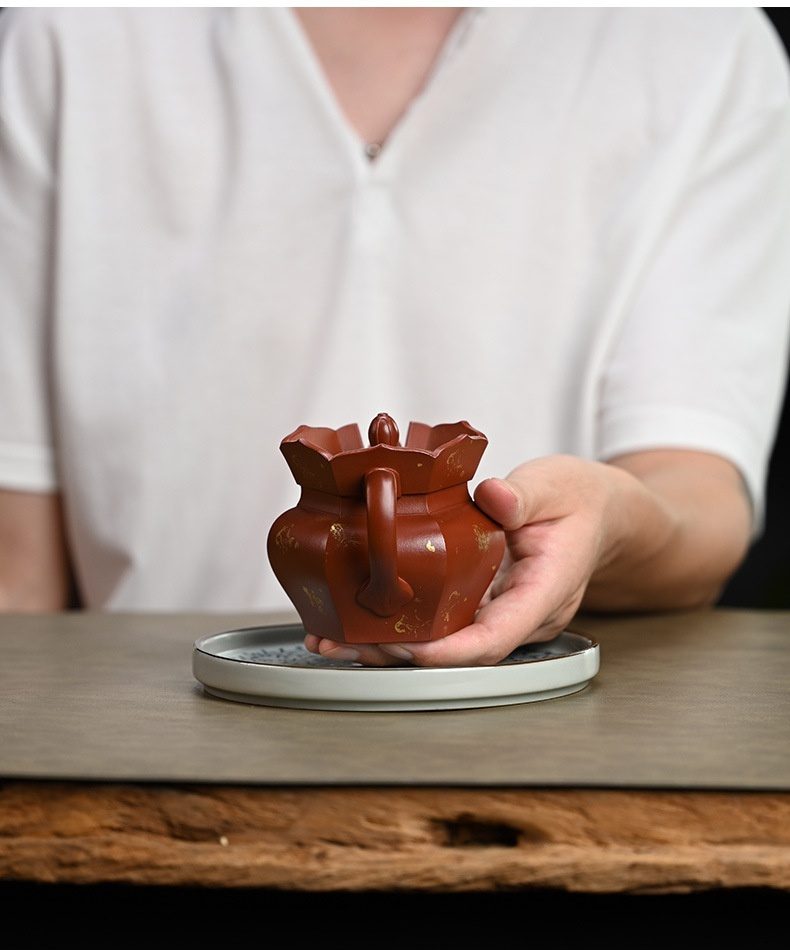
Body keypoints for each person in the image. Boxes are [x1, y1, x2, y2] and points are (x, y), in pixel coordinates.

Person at [1, 7, 789, 667]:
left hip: (538, 740)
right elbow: (16, 573)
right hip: (156, 731)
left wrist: (607, 520)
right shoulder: (65, 32)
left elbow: (695, 493)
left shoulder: (699, 38)